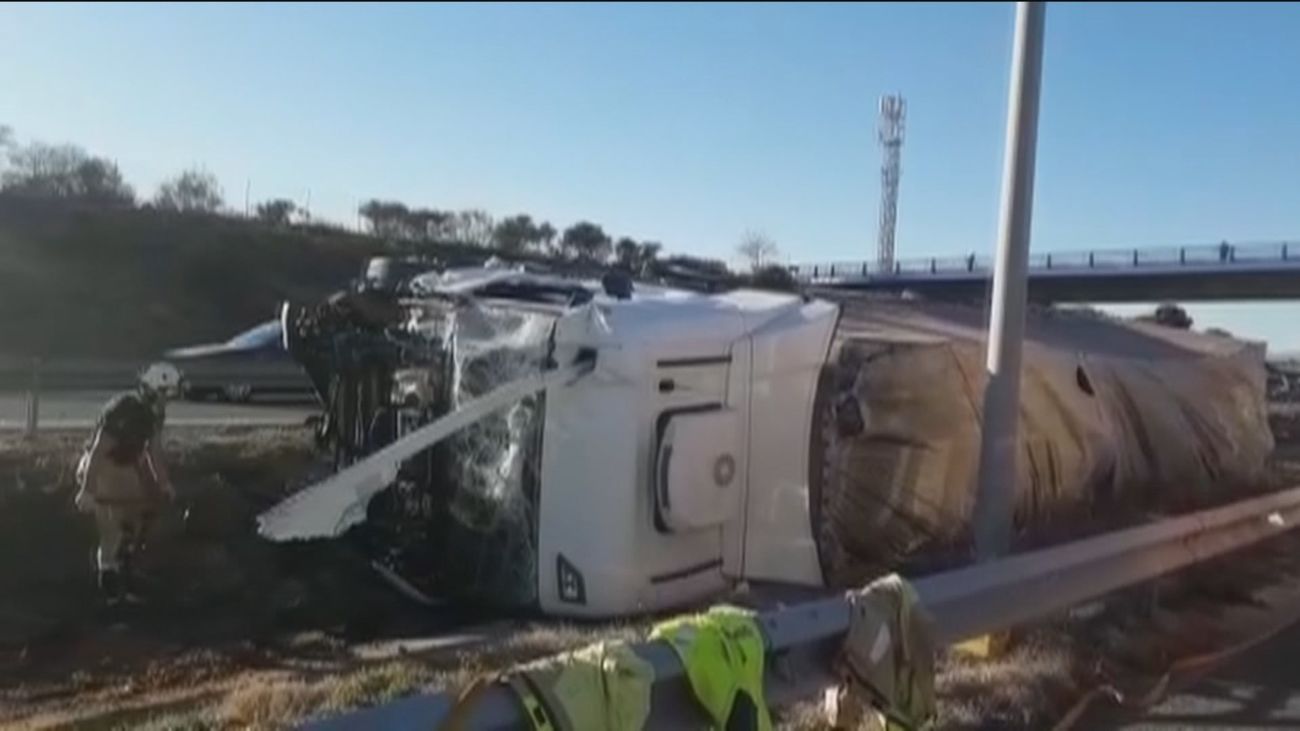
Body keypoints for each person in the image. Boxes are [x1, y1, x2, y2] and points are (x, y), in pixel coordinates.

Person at [74, 363, 180, 605]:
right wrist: (87, 490)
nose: (170, 399)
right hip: (105, 465)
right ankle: (109, 583)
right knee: (113, 529)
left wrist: (164, 483)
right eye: (168, 392)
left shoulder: (152, 414)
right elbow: (98, 453)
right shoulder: (124, 411)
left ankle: (125, 573)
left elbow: (153, 451)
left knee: (137, 519)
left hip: (126, 465)